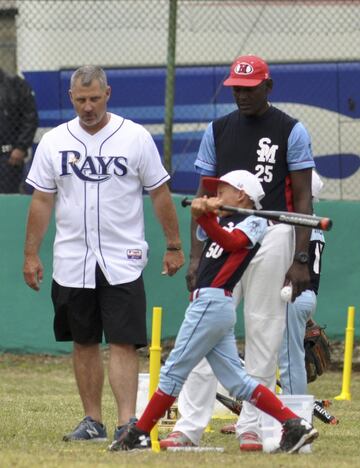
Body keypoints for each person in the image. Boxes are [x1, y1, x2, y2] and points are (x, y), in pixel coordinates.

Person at [160, 54, 315, 451]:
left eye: (249, 88)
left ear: (268, 86)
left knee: (264, 330)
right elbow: (203, 195)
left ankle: (252, 425)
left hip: (273, 234)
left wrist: (301, 259)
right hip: (221, 233)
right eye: (236, 89)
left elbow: (301, 200)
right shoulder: (218, 129)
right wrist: (196, 256)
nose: (242, 95)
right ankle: (189, 426)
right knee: (204, 329)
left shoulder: (291, 130)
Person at [22, 65, 185, 442]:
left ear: (108, 93)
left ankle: (128, 421)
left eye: (95, 98)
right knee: (83, 339)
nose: (88, 107)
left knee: (124, 339)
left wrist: (173, 245)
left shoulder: (135, 137)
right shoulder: (54, 141)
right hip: (72, 258)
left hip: (121, 256)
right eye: (81, 100)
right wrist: (31, 254)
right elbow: (42, 200)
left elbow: (159, 193)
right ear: (71, 99)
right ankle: (92, 420)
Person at [108, 169, 319, 453]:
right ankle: (294, 425)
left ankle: (139, 434)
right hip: (208, 303)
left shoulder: (255, 223)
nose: (215, 195)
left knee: (173, 370)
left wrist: (206, 215)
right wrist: (204, 213)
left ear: (242, 194)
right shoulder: (225, 219)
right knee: (239, 382)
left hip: (212, 302)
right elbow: (207, 229)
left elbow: (230, 243)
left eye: (222, 190)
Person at [278, 170, 326, 394]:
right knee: (284, 357)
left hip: (294, 296)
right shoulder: (313, 223)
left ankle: (296, 414)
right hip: (306, 297)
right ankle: (260, 414)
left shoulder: (298, 224)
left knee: (289, 360)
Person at [0, 68, 38, 193]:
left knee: (7, 198)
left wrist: (21, 147)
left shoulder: (16, 84)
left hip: (8, 157)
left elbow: (30, 117)